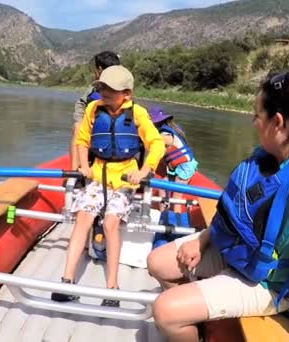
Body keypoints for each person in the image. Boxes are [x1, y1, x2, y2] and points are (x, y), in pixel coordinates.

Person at [147, 72, 289, 342]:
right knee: (157, 262)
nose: (253, 122)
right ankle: (199, 323)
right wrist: (203, 239)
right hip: (236, 252)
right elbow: (233, 211)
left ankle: (187, 319)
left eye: (257, 115)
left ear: (278, 123)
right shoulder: (265, 158)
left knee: (165, 310)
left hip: (268, 283)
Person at [52, 65, 165, 307]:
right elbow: (82, 140)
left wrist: (143, 171)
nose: (104, 92)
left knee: (112, 222)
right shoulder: (93, 109)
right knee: (83, 217)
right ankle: (66, 281)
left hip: (124, 177)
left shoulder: (138, 113)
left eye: (110, 89)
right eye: (102, 87)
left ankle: (112, 288)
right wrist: (84, 165)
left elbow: (156, 144)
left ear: (127, 93)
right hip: (98, 175)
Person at [70, 51, 121, 170]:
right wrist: (81, 120)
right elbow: (81, 103)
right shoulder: (94, 88)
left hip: (111, 129)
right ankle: (74, 173)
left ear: (99, 69)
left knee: (77, 128)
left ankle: (74, 172)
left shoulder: (121, 88)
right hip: (92, 126)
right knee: (78, 126)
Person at [148, 106, 198, 213]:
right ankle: (163, 214)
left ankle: (176, 221)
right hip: (177, 166)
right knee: (162, 185)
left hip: (185, 167)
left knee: (176, 198)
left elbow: (163, 143)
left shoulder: (164, 134)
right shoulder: (170, 129)